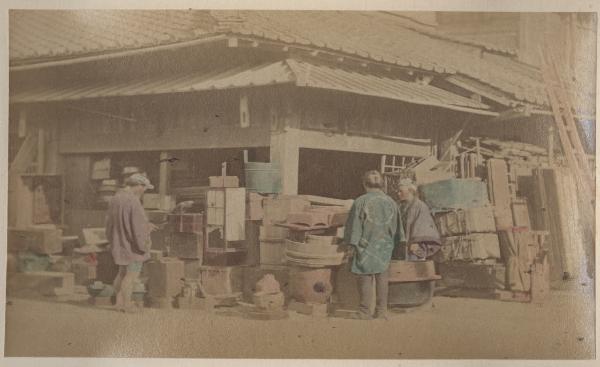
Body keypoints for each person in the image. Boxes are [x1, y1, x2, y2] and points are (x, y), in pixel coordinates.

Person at [343, 170, 406, 320]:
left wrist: (350, 244)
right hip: (385, 245)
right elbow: (398, 228)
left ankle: (364, 311)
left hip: (365, 245)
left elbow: (354, 226)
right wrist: (396, 243)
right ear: (382, 184)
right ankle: (381, 311)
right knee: (382, 275)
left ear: (364, 184)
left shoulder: (360, 201)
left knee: (364, 275)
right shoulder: (391, 202)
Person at [105, 173, 157, 312]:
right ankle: (127, 304)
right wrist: (147, 233)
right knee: (132, 275)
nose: (144, 191)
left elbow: (109, 223)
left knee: (121, 273)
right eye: (144, 187)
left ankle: (118, 303)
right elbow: (137, 227)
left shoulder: (115, 198)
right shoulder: (133, 201)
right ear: (139, 186)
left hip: (119, 242)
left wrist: (111, 240)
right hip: (132, 245)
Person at [395, 178, 441, 261]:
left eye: (401, 191)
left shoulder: (420, 207)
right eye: (398, 191)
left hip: (414, 248)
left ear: (410, 191)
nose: (398, 194)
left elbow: (424, 227)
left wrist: (417, 243)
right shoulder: (399, 206)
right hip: (401, 246)